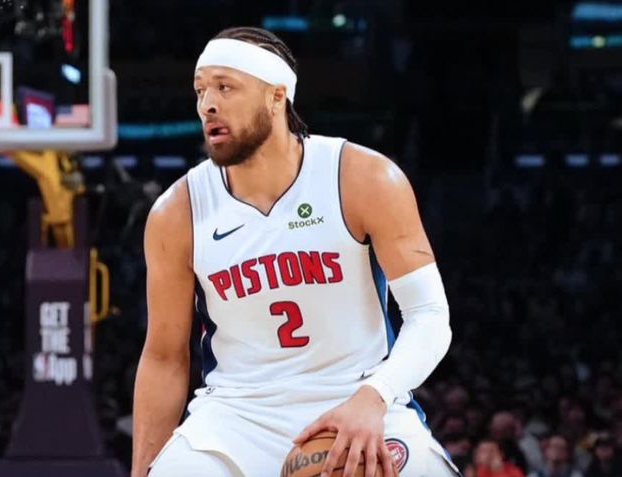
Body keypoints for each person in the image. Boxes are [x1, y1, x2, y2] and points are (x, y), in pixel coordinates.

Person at [131, 26, 459, 477]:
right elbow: (164, 357)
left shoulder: (363, 179)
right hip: (235, 418)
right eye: (201, 89)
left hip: (358, 398)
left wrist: (375, 396)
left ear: (276, 96)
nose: (207, 104)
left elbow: (429, 316)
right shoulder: (178, 212)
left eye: (225, 87)